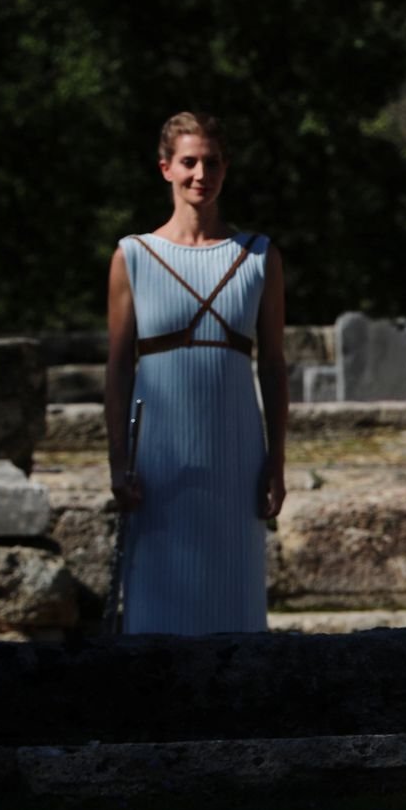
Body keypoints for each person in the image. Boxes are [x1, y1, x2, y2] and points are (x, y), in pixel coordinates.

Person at [104, 112, 286, 634]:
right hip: (159, 461)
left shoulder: (259, 256)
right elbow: (117, 371)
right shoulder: (133, 256)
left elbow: (273, 366)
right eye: (189, 162)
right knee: (159, 603)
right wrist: (118, 462)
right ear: (166, 168)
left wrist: (276, 462)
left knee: (234, 598)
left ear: (225, 169)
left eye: (211, 162)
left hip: (236, 451)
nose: (200, 173)